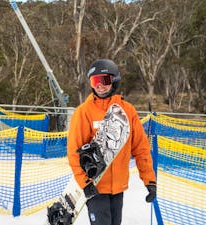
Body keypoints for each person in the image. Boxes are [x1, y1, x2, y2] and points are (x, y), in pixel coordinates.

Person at [67, 59, 157, 225]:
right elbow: (74, 152)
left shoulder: (127, 111)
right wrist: (85, 183)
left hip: (118, 187)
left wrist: (149, 180)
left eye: (104, 80)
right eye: (95, 81)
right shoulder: (83, 113)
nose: (100, 85)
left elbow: (141, 148)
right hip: (95, 187)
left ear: (114, 80)